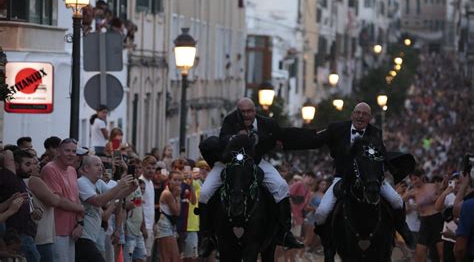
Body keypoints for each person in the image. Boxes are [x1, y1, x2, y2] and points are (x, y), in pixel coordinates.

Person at [198, 97, 305, 257]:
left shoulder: (267, 123)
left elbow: (280, 135)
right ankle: (207, 237)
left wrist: (282, 142)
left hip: (255, 162)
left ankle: (284, 233)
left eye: (250, 111)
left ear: (255, 110)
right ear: (237, 112)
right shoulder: (230, 121)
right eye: (243, 112)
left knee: (281, 186)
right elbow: (223, 139)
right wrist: (235, 138)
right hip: (229, 163)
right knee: (205, 192)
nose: (247, 115)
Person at [309, 102, 415, 256]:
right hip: (341, 177)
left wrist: (380, 170)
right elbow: (318, 140)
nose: (360, 116)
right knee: (322, 212)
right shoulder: (337, 128)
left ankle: (403, 229)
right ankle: (328, 246)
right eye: (358, 113)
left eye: (364, 114)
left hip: (370, 177)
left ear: (369, 118)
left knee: (397, 201)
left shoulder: (375, 133)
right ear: (352, 114)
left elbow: (379, 156)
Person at [76, 155, 135, 262]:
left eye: (102, 166)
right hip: (82, 237)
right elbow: (98, 201)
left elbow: (115, 195)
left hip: (91, 237)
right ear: (86, 168)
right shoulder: (82, 182)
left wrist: (131, 189)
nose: (101, 168)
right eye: (97, 165)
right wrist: (119, 186)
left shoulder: (98, 182)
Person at [40, 138, 85, 262]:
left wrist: (80, 223)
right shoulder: (50, 169)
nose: (71, 154)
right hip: (56, 230)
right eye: (67, 150)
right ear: (59, 151)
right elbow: (58, 200)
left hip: (72, 229)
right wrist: (81, 209)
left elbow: (75, 198)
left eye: (74, 151)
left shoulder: (72, 170)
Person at [0, 149, 41, 262]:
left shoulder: (20, 181)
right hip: (18, 234)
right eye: (27, 164)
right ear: (16, 164)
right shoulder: (9, 178)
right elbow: (8, 153)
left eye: (32, 164)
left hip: (25, 234)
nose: (31, 168)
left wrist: (36, 210)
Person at [405, 169, 444, 262]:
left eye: (416, 178)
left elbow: (442, 200)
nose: (415, 181)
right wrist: (407, 192)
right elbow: (400, 200)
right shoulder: (413, 192)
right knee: (420, 252)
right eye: (412, 180)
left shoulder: (433, 186)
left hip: (436, 218)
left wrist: (437, 196)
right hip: (424, 220)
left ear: (421, 177)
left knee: (441, 252)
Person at [156, 170, 182, 262]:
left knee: (173, 257)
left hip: (170, 226)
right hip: (164, 226)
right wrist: (178, 197)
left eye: (179, 180)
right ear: (169, 181)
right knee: (168, 258)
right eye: (175, 179)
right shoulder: (167, 193)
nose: (177, 182)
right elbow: (176, 212)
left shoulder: (173, 193)